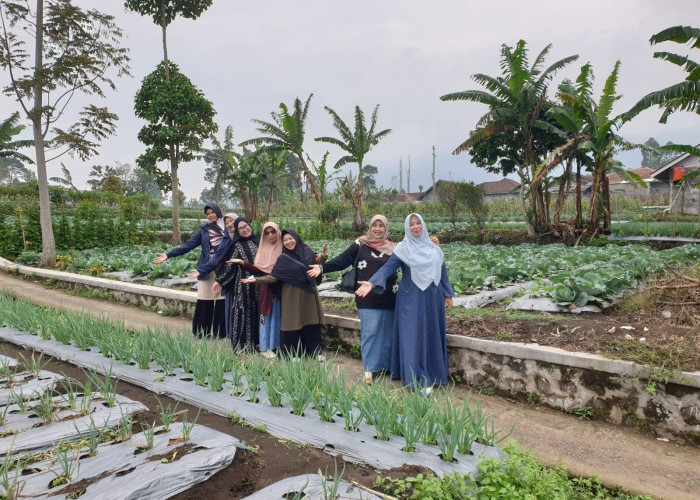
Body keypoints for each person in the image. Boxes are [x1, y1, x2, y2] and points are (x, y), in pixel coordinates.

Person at [356, 213, 454, 392]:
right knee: (413, 335)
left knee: (432, 333)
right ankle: (414, 378)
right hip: (411, 298)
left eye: (418, 223)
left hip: (433, 297)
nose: (415, 227)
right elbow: (388, 268)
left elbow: (442, 269)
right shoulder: (402, 249)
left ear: (423, 225)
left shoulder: (433, 248)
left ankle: (435, 374)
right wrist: (372, 282)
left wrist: (448, 294)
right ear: (406, 228)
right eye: (411, 224)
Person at [308, 215, 397, 384]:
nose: (378, 229)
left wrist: (431, 244)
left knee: (388, 333)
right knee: (370, 332)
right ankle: (370, 368)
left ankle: (386, 366)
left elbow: (414, 254)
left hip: (389, 295)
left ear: (386, 228)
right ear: (369, 227)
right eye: (374, 225)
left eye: (381, 226)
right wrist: (322, 267)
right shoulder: (360, 245)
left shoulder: (393, 248)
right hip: (366, 297)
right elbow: (342, 261)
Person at [242, 229, 326, 358]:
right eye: (285, 240)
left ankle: (315, 352)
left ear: (296, 238)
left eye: (291, 238)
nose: (288, 242)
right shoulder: (283, 258)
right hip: (291, 296)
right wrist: (256, 280)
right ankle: (293, 354)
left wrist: (323, 258)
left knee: (311, 322)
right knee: (292, 324)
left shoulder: (307, 252)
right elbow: (274, 277)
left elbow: (315, 270)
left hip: (308, 295)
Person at [153, 204, 226, 338]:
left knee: (222, 301)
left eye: (212, 212)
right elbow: (187, 246)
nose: (210, 215)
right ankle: (201, 333)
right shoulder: (204, 230)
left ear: (218, 212)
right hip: (206, 270)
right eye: (207, 213)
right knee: (205, 300)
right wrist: (168, 255)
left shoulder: (227, 228)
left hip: (224, 270)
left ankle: (221, 333)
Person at [213, 217, 260, 350]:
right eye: (241, 228)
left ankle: (258, 343)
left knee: (259, 312)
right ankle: (243, 345)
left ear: (250, 225)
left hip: (262, 283)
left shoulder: (260, 239)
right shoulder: (236, 245)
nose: (245, 230)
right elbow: (230, 268)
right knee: (243, 312)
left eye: (246, 226)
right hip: (244, 286)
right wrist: (219, 281)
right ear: (237, 231)